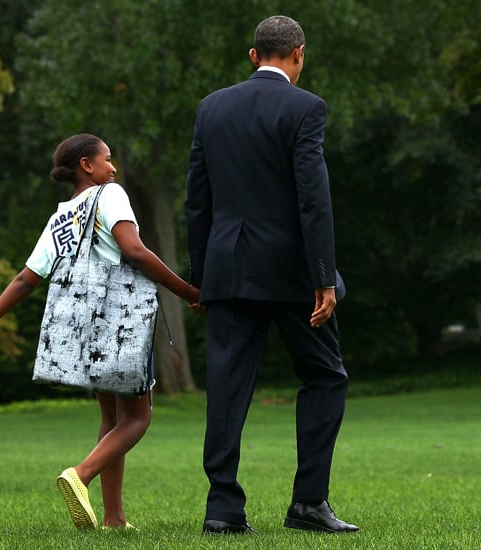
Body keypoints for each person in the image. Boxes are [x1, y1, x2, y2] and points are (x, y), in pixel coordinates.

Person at [0, 133, 201, 531]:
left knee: (112, 417)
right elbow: (133, 250)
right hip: (120, 322)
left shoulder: (60, 217)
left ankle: (114, 518)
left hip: (84, 327)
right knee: (138, 417)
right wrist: (189, 292)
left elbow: (24, 280)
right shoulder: (110, 194)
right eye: (107, 158)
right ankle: (80, 474)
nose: (113, 167)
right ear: (87, 165)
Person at [185, 16, 359, 535]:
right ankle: (308, 503)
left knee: (227, 386)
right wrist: (323, 278)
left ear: (253, 55)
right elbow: (314, 199)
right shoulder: (306, 108)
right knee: (326, 376)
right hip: (293, 275)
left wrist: (201, 279)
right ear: (298, 54)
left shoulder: (210, 108)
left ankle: (222, 508)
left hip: (228, 269)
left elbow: (198, 201)